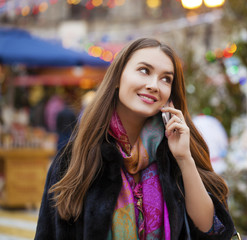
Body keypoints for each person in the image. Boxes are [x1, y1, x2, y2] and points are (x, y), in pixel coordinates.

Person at [35, 38, 236, 240]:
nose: (154, 85)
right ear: (117, 78)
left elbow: (209, 229)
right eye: (144, 70)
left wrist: (184, 159)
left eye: (166, 79)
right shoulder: (73, 159)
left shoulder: (175, 153)